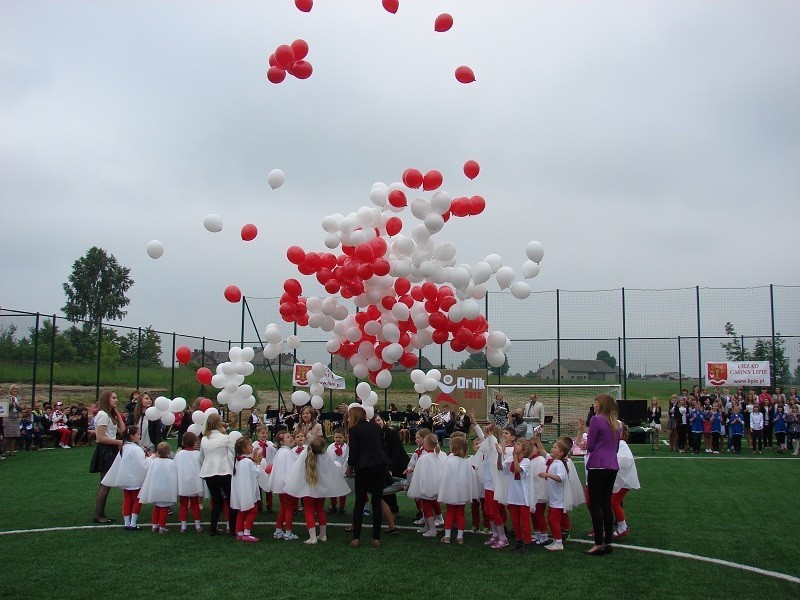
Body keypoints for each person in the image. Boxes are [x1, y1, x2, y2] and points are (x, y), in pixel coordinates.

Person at [285, 435, 350, 544]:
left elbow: (296, 470)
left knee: (309, 510)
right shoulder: (326, 455)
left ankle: (313, 537)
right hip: (321, 488)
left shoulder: (305, 454)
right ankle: (323, 535)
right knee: (320, 509)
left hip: (308, 488)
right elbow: (331, 471)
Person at [345, 405, 391, 548]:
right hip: (380, 466)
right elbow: (383, 447)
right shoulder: (376, 427)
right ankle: (376, 538)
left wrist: (350, 467)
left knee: (360, 502)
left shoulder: (354, 430)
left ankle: (356, 538)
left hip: (364, 468)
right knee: (376, 502)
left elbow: (354, 452)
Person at [585, 393, 621, 557]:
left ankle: (598, 543)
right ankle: (608, 542)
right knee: (606, 504)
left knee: (595, 505)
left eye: (595, 402)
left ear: (601, 404)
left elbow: (591, 446)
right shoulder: (616, 424)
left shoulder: (596, 420)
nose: (594, 405)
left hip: (598, 465)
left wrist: (586, 444)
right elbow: (616, 448)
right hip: (612, 464)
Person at [101, 425, 148, 531]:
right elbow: (142, 464)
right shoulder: (136, 449)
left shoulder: (124, 448)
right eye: (138, 434)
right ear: (131, 436)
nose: (139, 436)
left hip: (126, 480)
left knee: (127, 501)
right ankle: (133, 522)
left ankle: (127, 522)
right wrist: (151, 458)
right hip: (135, 480)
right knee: (137, 500)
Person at [90, 390, 126, 523]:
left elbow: (122, 429)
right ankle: (99, 515)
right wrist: (118, 442)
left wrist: (116, 413)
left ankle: (100, 513)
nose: (116, 400)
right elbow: (100, 437)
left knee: (106, 483)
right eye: (114, 398)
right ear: (107, 399)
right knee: (105, 483)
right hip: (105, 450)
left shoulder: (109, 415)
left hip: (111, 450)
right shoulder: (103, 415)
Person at [198, 413, 236, 536]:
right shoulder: (225, 437)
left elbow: (201, 458)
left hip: (209, 473)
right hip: (223, 471)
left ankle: (212, 528)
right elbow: (235, 452)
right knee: (231, 500)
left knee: (217, 501)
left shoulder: (204, 439)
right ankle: (232, 527)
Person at [437, 436, 476, 544]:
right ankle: (460, 536)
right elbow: (471, 476)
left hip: (451, 491)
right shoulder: (467, 461)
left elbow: (443, 476)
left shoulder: (449, 461)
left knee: (450, 513)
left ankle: (447, 536)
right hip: (462, 491)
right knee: (460, 513)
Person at [407, 433, 445, 539]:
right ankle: (427, 526)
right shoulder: (441, 455)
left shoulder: (424, 458)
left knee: (427, 507)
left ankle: (432, 529)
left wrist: (420, 486)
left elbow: (420, 474)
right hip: (436, 486)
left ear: (426, 443)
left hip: (427, 486)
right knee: (428, 505)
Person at [267, 428, 301, 541]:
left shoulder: (280, 452)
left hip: (281, 485)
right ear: (282, 442)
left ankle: (278, 530)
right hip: (286, 485)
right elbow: (292, 469)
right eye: (288, 437)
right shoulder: (287, 453)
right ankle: (288, 532)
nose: (291, 438)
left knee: (283, 507)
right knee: (290, 508)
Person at [538, 438, 572, 551]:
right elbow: (542, 450)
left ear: (561, 453)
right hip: (554, 499)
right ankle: (557, 540)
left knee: (553, 520)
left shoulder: (559, 464)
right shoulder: (553, 461)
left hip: (558, 500)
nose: (552, 448)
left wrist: (547, 474)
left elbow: (560, 478)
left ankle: (558, 542)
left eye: (554, 447)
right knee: (552, 520)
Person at [139, 442, 178, 533]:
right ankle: (162, 527)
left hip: (155, 489)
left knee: (156, 508)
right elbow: (173, 477)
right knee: (164, 509)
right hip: (165, 490)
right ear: (168, 453)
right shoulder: (171, 463)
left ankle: (154, 525)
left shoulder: (154, 461)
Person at [502, 437, 533, 552]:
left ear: (524, 450)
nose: (516, 445)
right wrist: (500, 454)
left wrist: (514, 457)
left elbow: (518, 470)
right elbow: (501, 468)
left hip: (523, 497)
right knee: (515, 521)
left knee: (524, 522)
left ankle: (527, 543)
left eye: (519, 444)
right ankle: (519, 541)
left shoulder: (526, 461)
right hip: (512, 496)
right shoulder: (511, 459)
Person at [230, 436, 263, 543]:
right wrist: (258, 463)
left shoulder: (237, 460)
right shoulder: (247, 462)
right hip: (248, 491)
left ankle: (239, 532)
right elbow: (256, 474)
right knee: (253, 511)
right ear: (244, 449)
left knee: (241, 511)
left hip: (240, 491)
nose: (252, 446)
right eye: (250, 445)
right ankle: (247, 532)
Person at [611, 424, 640, 540]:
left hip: (625, 480)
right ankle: (621, 525)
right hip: (622, 479)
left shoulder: (621, 444)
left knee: (614, 502)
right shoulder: (616, 444)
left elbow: (624, 461)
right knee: (613, 501)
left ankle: (622, 528)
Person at [174, 431, 204, 533]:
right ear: (195, 442)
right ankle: (197, 525)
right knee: (195, 504)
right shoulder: (198, 454)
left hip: (183, 483)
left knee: (183, 504)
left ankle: (183, 526)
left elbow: (175, 467)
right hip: (195, 483)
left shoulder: (179, 454)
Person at [327, 427, 349, 515]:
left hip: (343, 471)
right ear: (333, 437)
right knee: (333, 490)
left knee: (342, 490)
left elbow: (347, 458)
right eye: (336, 437)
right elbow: (328, 458)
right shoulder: (330, 447)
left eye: (340, 437)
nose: (338, 439)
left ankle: (342, 508)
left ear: (344, 437)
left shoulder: (346, 448)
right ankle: (333, 506)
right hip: (332, 471)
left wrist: (344, 468)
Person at [3, 385, 22, 456]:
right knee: (7, 436)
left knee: (14, 436)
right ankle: (3, 451)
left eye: (16, 389)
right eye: (14, 389)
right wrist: (12, 403)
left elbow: (21, 408)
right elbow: (4, 407)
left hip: (16, 418)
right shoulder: (7, 397)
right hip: (8, 418)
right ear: (11, 390)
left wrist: (17, 405)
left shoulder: (18, 398)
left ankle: (11, 451)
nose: (15, 390)